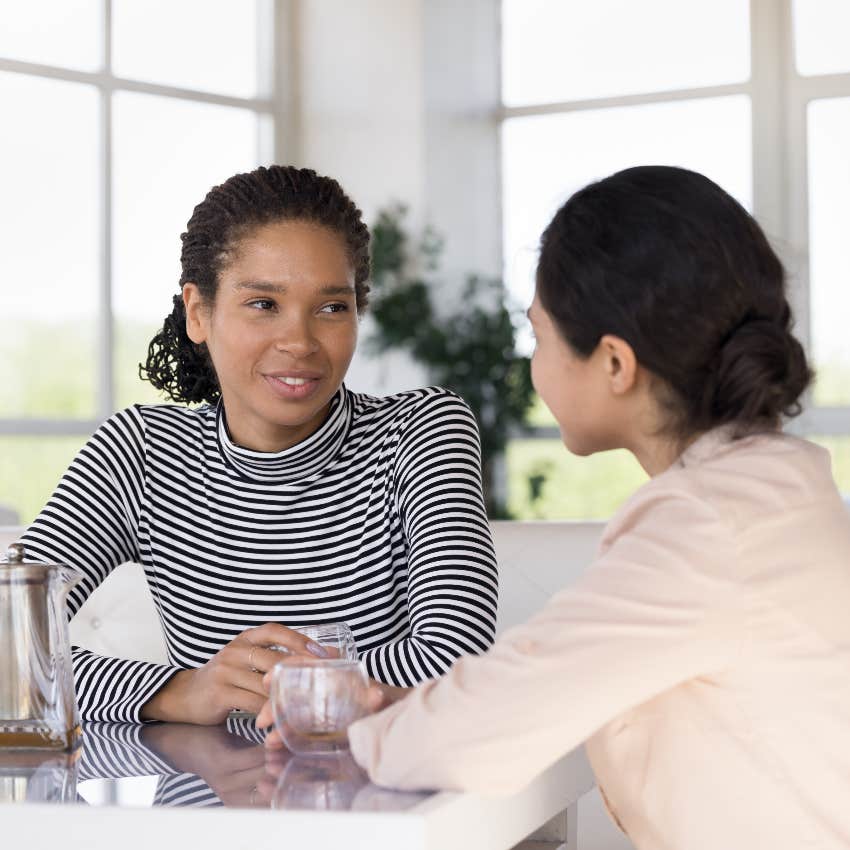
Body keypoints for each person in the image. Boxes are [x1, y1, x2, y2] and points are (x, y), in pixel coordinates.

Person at [348, 166, 850, 849]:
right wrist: (429, 706)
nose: (533, 366)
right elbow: (533, 679)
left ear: (614, 363)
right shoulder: (770, 490)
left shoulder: (703, 526)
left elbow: (467, 740)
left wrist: (344, 720)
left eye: (540, 337)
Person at [21, 165, 498, 725]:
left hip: (379, 804)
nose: (299, 341)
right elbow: (10, 643)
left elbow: (458, 658)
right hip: (197, 807)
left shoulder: (422, 430)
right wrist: (181, 691)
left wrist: (269, 687)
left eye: (332, 308)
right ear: (199, 312)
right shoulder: (143, 452)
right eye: (263, 304)